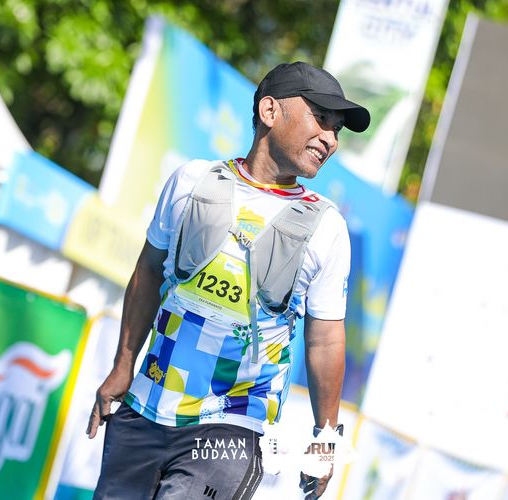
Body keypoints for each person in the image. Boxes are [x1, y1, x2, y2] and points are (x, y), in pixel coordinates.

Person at [86, 61, 370, 500]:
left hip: (233, 426)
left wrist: (326, 436)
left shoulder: (327, 227)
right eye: (321, 119)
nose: (330, 139)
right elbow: (148, 271)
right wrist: (123, 366)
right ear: (270, 111)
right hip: (145, 406)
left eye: (337, 130)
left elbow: (325, 338)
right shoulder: (191, 180)